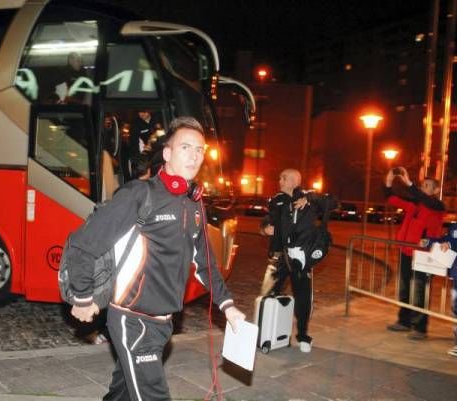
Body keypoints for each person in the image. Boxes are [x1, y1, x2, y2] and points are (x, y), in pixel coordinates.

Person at [67, 116, 245, 401]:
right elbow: (85, 243)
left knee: (123, 393)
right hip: (133, 320)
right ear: (167, 153)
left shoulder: (193, 204)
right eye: (186, 147)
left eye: (200, 150)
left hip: (164, 324)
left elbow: (206, 263)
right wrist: (82, 296)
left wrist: (228, 305)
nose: (195, 155)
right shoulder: (140, 194)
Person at [259, 168, 336, 353]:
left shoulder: (308, 198)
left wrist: (310, 199)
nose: (279, 180)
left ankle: (303, 336)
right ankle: (265, 332)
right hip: (282, 257)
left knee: (303, 298)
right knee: (268, 293)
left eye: (283, 177)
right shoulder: (277, 200)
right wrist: (264, 228)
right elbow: (268, 220)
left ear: (294, 180)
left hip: (301, 258)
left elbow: (332, 202)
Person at [384, 167, 445, 340]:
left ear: (436, 190)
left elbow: (425, 199)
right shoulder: (415, 204)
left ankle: (420, 328)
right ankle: (404, 321)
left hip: (424, 255)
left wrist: (409, 182)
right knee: (404, 288)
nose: (423, 188)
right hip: (407, 251)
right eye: (422, 185)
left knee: (419, 291)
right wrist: (389, 182)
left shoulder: (437, 206)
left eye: (428, 185)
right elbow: (392, 198)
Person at [420, 223, 457, 356]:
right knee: (455, 309)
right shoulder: (454, 227)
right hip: (456, 273)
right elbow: (445, 240)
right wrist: (429, 241)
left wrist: (451, 245)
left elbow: (451, 243)